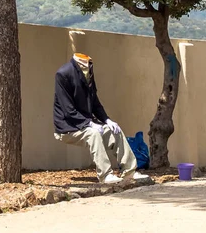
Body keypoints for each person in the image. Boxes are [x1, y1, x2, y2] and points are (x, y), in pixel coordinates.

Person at [53, 53, 150, 184]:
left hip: (86, 123)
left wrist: (107, 120)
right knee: (93, 134)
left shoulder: (88, 71)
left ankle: (129, 172)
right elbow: (68, 110)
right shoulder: (63, 74)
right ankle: (105, 175)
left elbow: (95, 103)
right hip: (68, 127)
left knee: (115, 131)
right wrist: (89, 123)